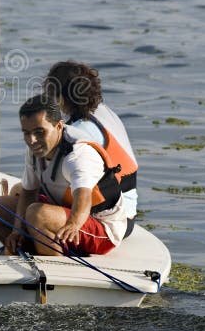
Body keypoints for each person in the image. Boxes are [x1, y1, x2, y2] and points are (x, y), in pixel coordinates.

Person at [0, 94, 127, 256]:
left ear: (59, 126)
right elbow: (29, 194)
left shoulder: (77, 154)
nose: (32, 140)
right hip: (64, 211)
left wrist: (73, 224)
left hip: (101, 226)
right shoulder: (35, 149)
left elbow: (83, 198)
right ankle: (26, 250)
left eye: (39, 132)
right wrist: (17, 231)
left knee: (37, 214)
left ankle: (56, 268)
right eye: (26, 133)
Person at [44, 60, 139, 223]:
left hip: (112, 219)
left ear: (62, 97)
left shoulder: (79, 132)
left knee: (32, 208)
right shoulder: (103, 112)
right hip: (128, 211)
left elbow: (58, 182)